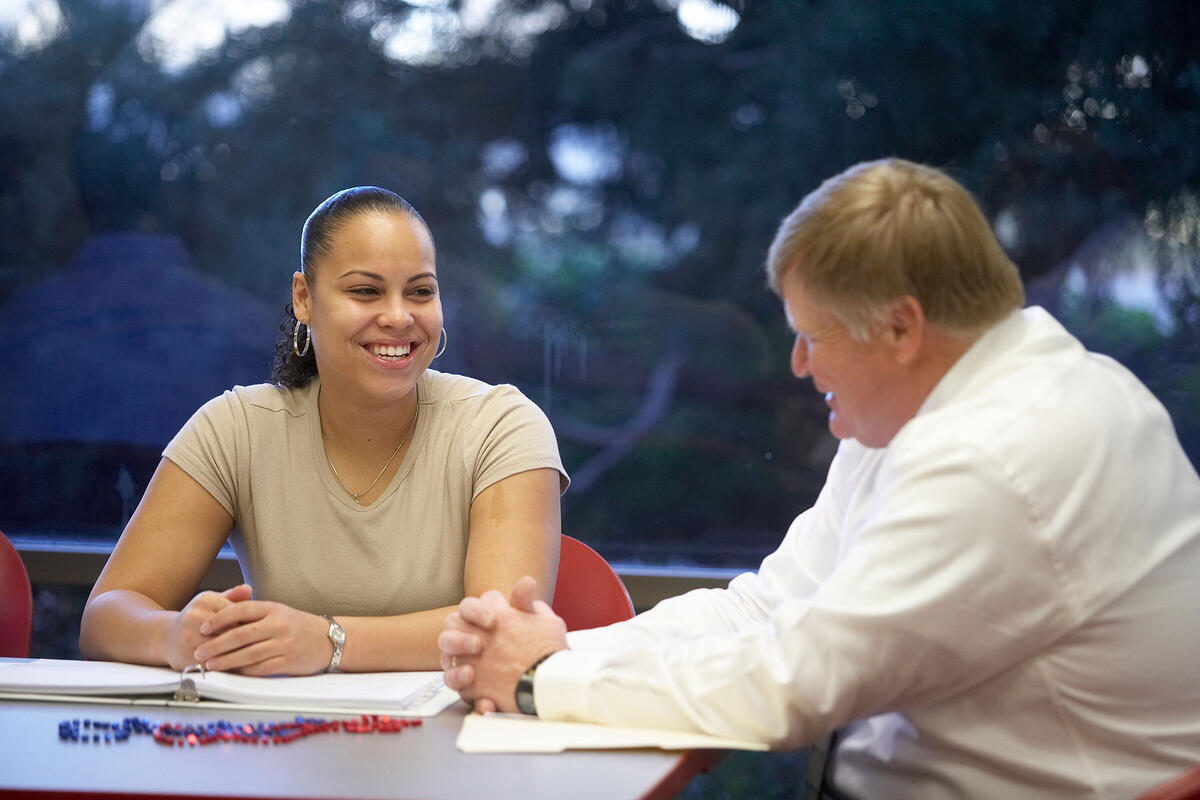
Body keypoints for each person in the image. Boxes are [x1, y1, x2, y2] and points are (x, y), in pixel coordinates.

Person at [438, 159, 1200, 799]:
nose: (800, 366)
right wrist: (562, 651)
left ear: (901, 329)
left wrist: (540, 681)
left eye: (812, 337)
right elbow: (773, 606)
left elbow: (789, 685)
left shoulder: (998, 456)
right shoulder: (935, 402)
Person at [81, 186, 568, 676]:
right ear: (303, 298)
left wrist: (330, 641)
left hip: (458, 737)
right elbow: (105, 617)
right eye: (365, 291)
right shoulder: (236, 429)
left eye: (421, 291)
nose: (399, 316)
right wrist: (173, 635)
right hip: (285, 741)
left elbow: (502, 632)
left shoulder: (502, 426)